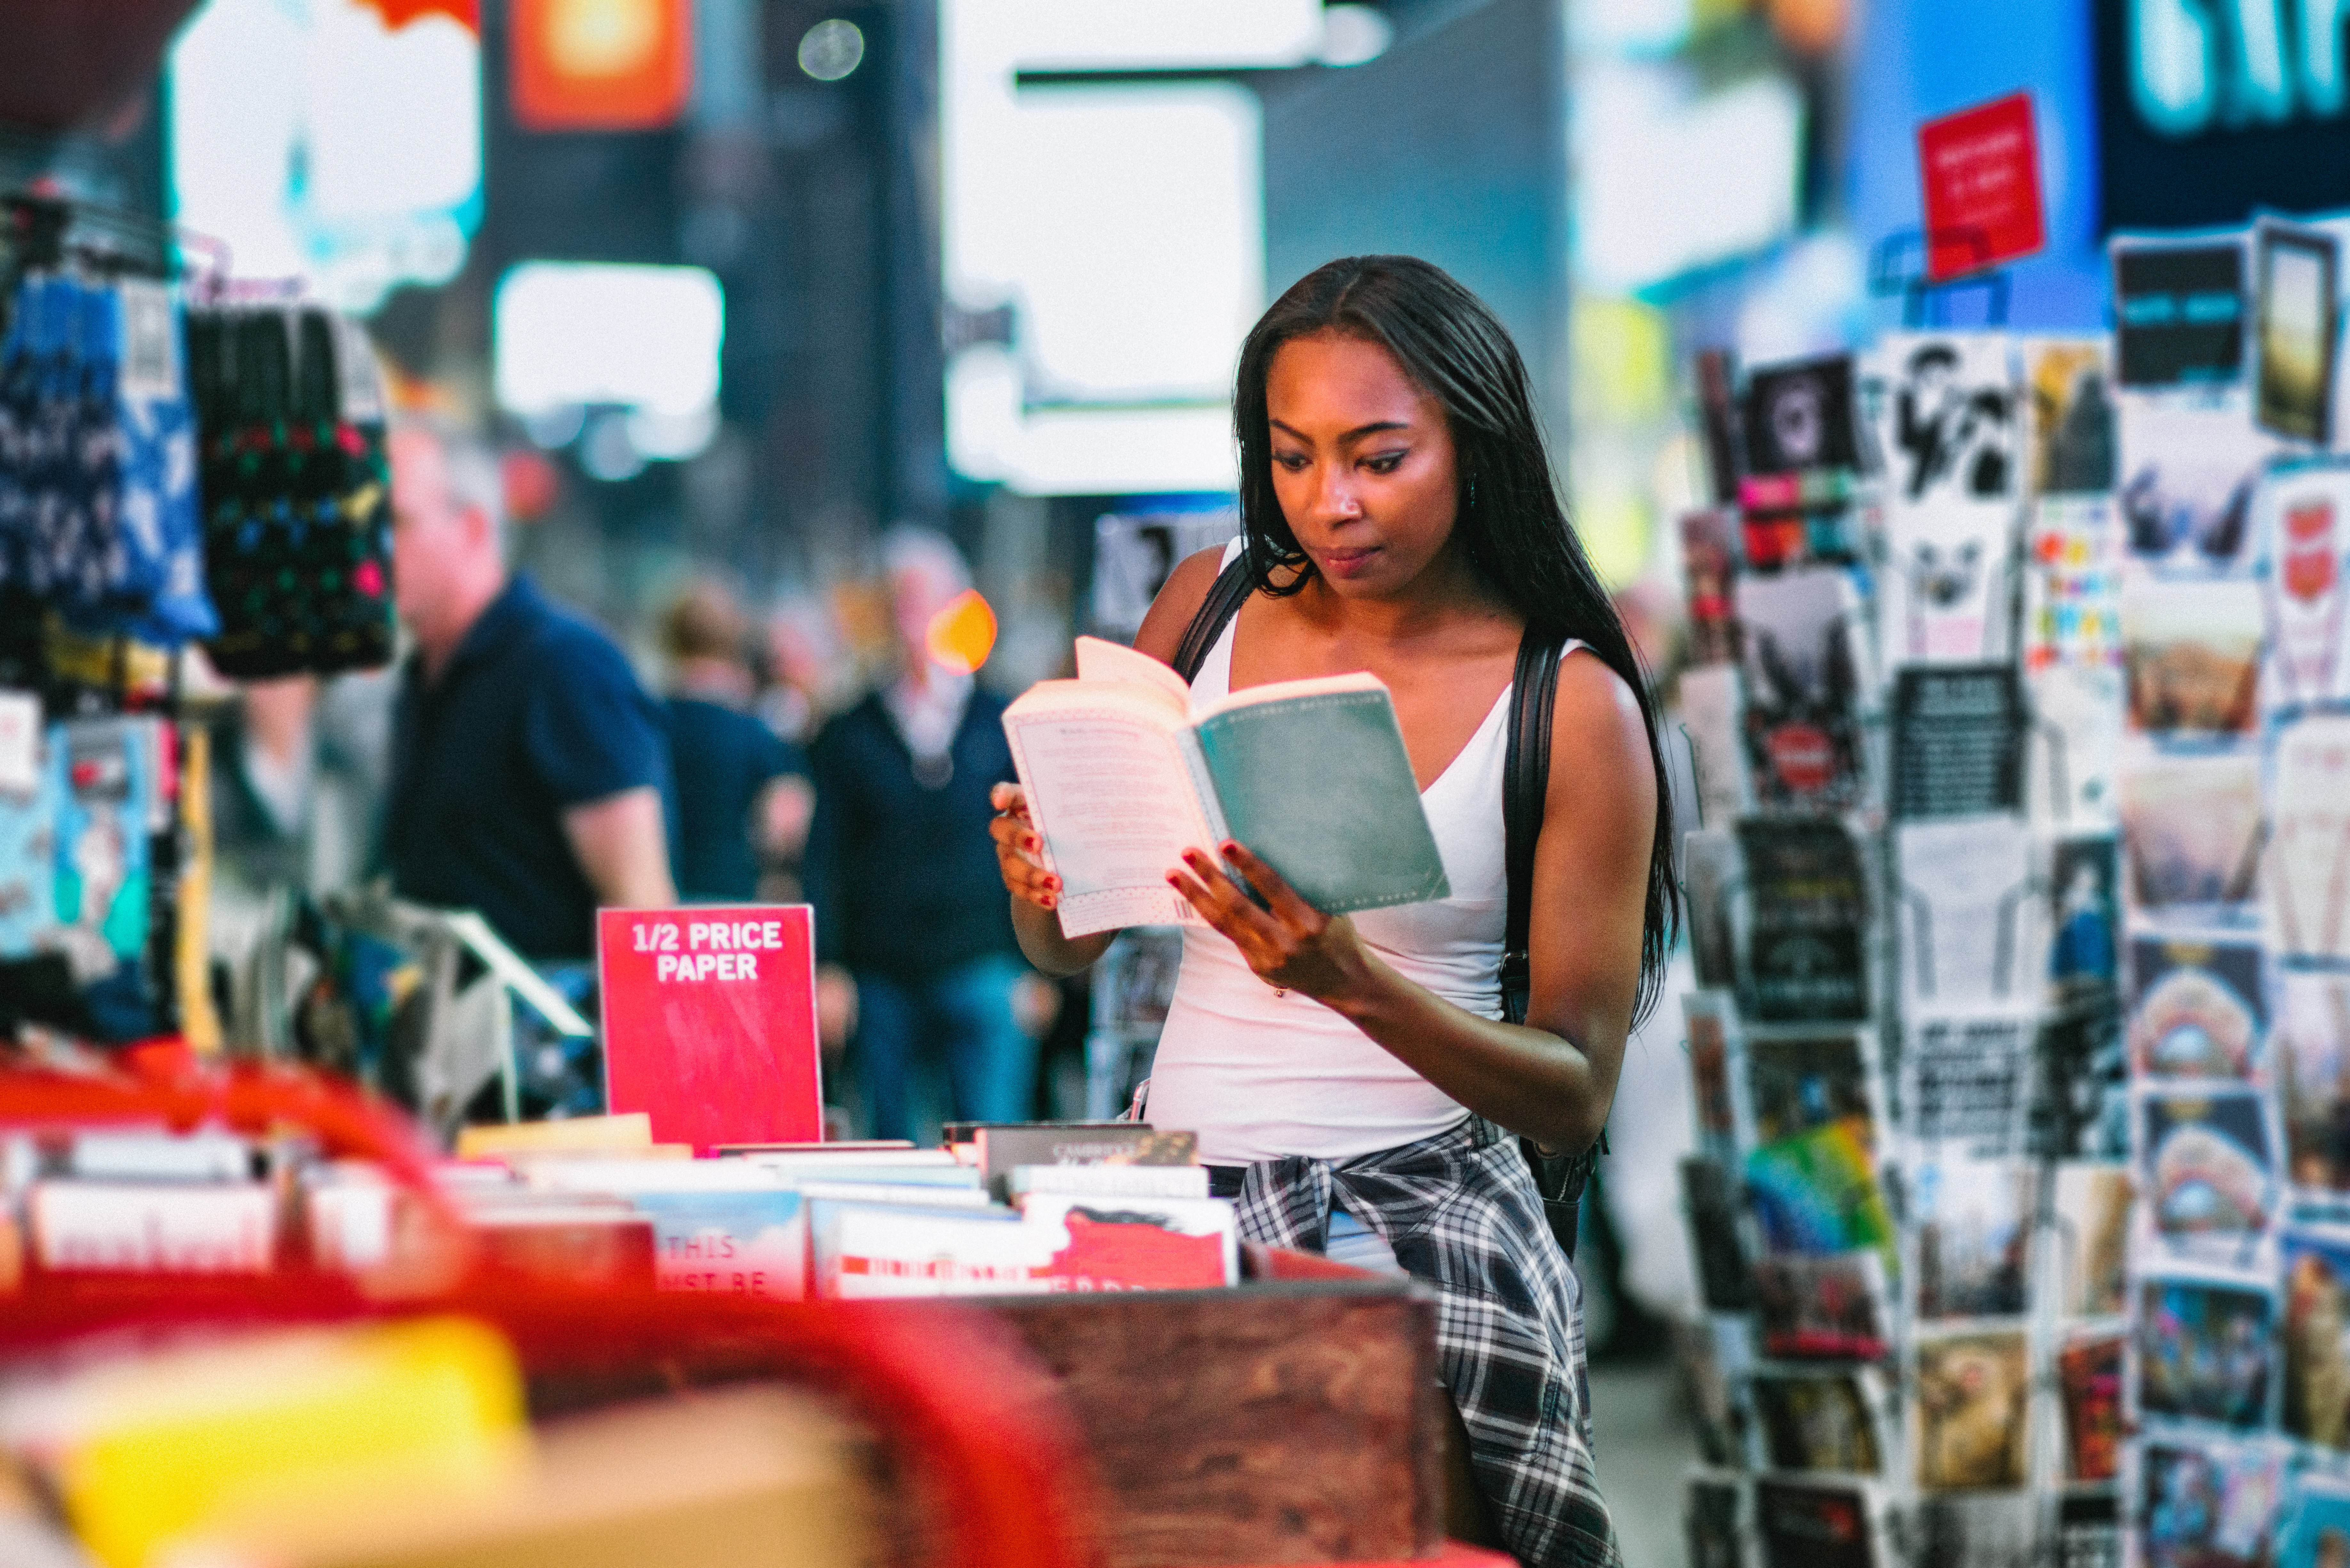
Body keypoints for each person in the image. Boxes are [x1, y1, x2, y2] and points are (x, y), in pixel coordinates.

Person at [988, 257, 1675, 1568]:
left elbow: (1575, 1088)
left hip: (1423, 1213)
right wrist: (1042, 882)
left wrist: (1355, 982)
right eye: (1293, 458)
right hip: (1171, 1186)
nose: (1331, 503)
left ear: (1475, 443)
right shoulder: (1207, 606)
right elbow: (1065, 952)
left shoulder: (1570, 703)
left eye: (1379, 457)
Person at [381, 420, 676, 963]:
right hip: (442, 1034)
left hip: (541, 1042)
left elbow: (642, 912)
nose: (372, 548)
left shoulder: (565, 667)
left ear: (472, 528)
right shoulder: (424, 673)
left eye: (396, 521)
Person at [808, 527, 1041, 1140]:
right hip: (881, 974)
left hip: (985, 965)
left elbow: (1041, 845)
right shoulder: (847, 730)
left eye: (924, 598)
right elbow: (824, 856)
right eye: (899, 600)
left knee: (995, 1147)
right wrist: (827, 967)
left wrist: (1040, 968)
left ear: (955, 605)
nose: (911, 615)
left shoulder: (1002, 719)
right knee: (891, 1150)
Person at [659, 579, 810, 903]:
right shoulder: (754, 733)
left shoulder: (650, 722)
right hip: (732, 901)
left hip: (662, 897)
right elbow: (787, 823)